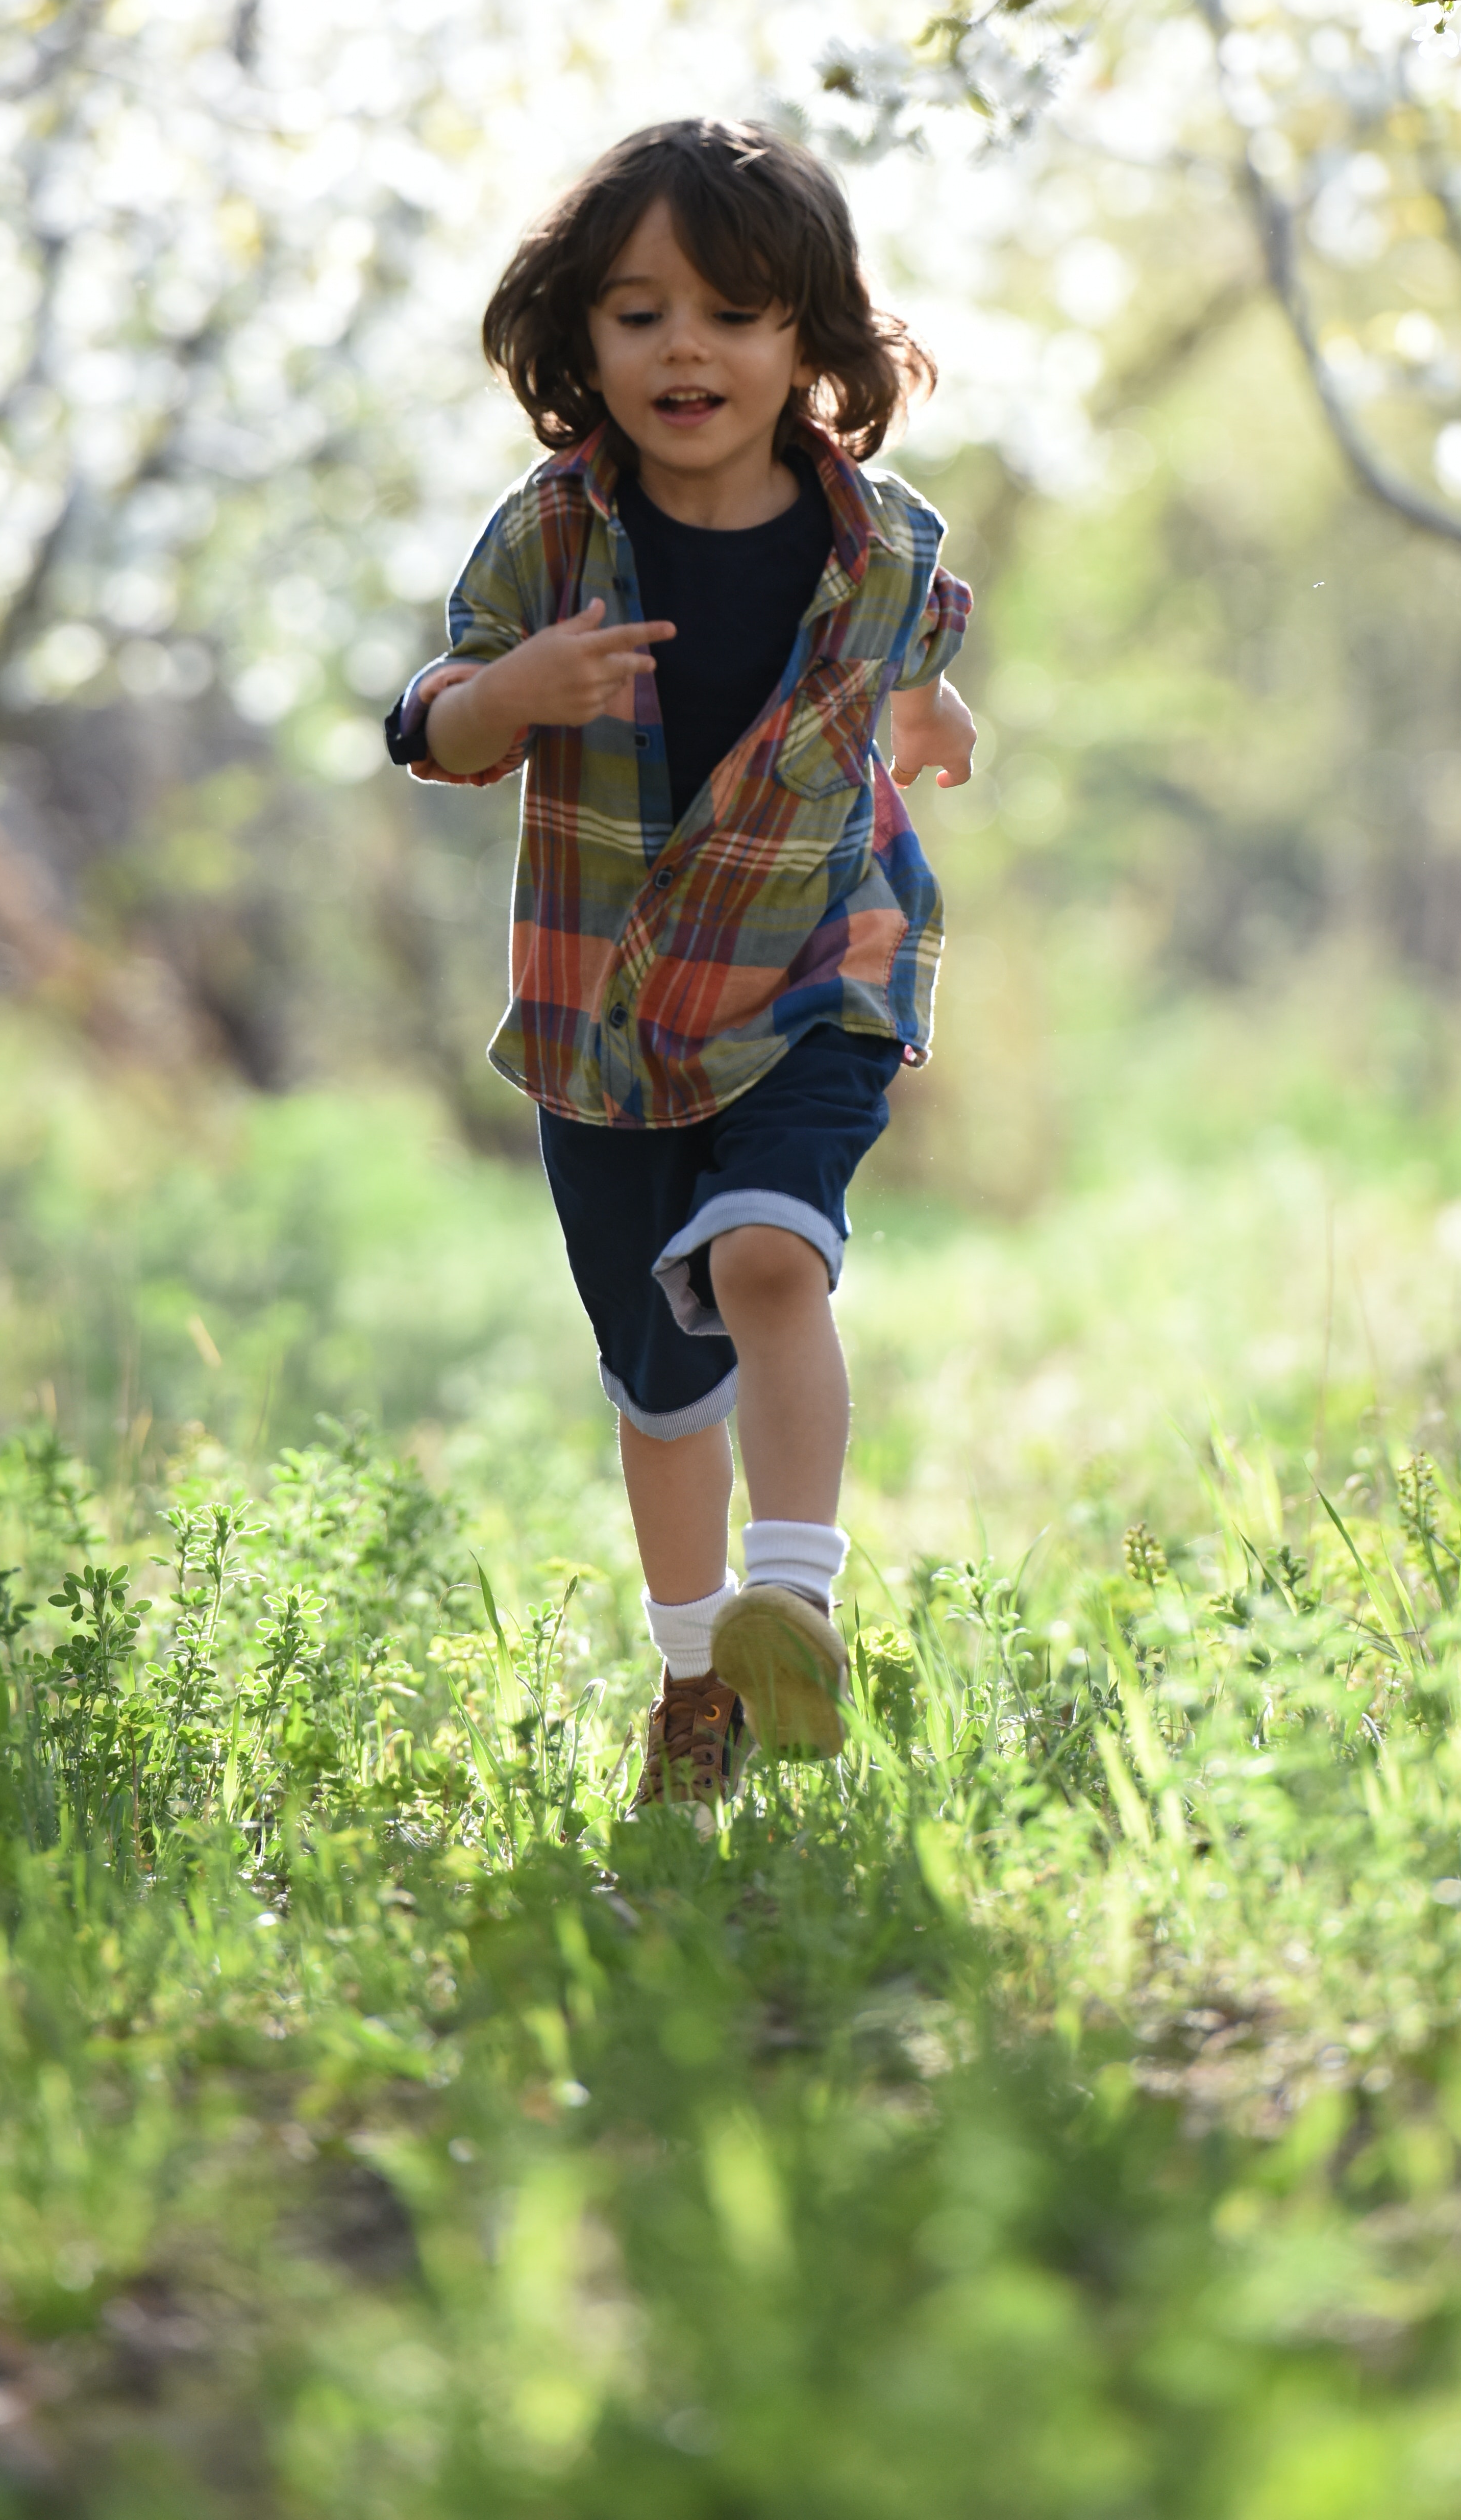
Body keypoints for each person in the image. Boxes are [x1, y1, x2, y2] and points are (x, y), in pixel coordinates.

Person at [384, 117, 975, 1813]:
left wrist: (933, 719)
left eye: (731, 312)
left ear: (810, 345)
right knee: (662, 1380)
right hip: (614, 1022)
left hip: (820, 967)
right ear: (580, 344)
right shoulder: (552, 541)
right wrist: (511, 698)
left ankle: (796, 1597)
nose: (685, 350)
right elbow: (431, 717)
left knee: (773, 1258)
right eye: (639, 316)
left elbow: (915, 653)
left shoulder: (883, 542)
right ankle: (698, 1671)